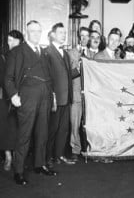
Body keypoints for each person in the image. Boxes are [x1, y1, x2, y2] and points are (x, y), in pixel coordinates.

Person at [5, 20, 57, 185]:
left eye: (38, 31)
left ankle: (39, 164)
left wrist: (52, 95)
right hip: (27, 97)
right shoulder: (17, 52)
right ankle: (18, 171)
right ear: (27, 33)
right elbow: (8, 78)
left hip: (45, 97)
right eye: (32, 31)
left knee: (42, 132)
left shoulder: (43, 52)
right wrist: (13, 95)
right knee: (24, 134)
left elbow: (50, 76)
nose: (36, 34)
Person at [46, 23, 80, 167]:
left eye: (65, 33)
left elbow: (67, 75)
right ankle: (47, 158)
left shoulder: (65, 53)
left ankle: (59, 155)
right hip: (55, 99)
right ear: (53, 34)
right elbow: (47, 76)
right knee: (51, 130)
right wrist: (51, 95)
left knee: (63, 129)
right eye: (61, 32)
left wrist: (78, 68)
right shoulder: (47, 52)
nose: (64, 35)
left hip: (67, 99)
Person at [0, 30, 23, 171]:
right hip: (7, 99)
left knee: (20, 128)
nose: (10, 43)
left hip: (23, 97)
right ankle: (8, 157)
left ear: (19, 41)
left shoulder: (25, 55)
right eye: (8, 40)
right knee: (6, 129)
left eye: (12, 40)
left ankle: (18, 156)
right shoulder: (4, 57)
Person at [67, 27, 90, 161]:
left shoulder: (93, 53)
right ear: (78, 37)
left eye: (87, 36)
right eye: (82, 36)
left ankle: (89, 148)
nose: (85, 38)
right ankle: (75, 149)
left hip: (90, 95)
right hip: (76, 94)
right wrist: (79, 67)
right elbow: (68, 74)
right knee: (75, 124)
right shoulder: (71, 53)